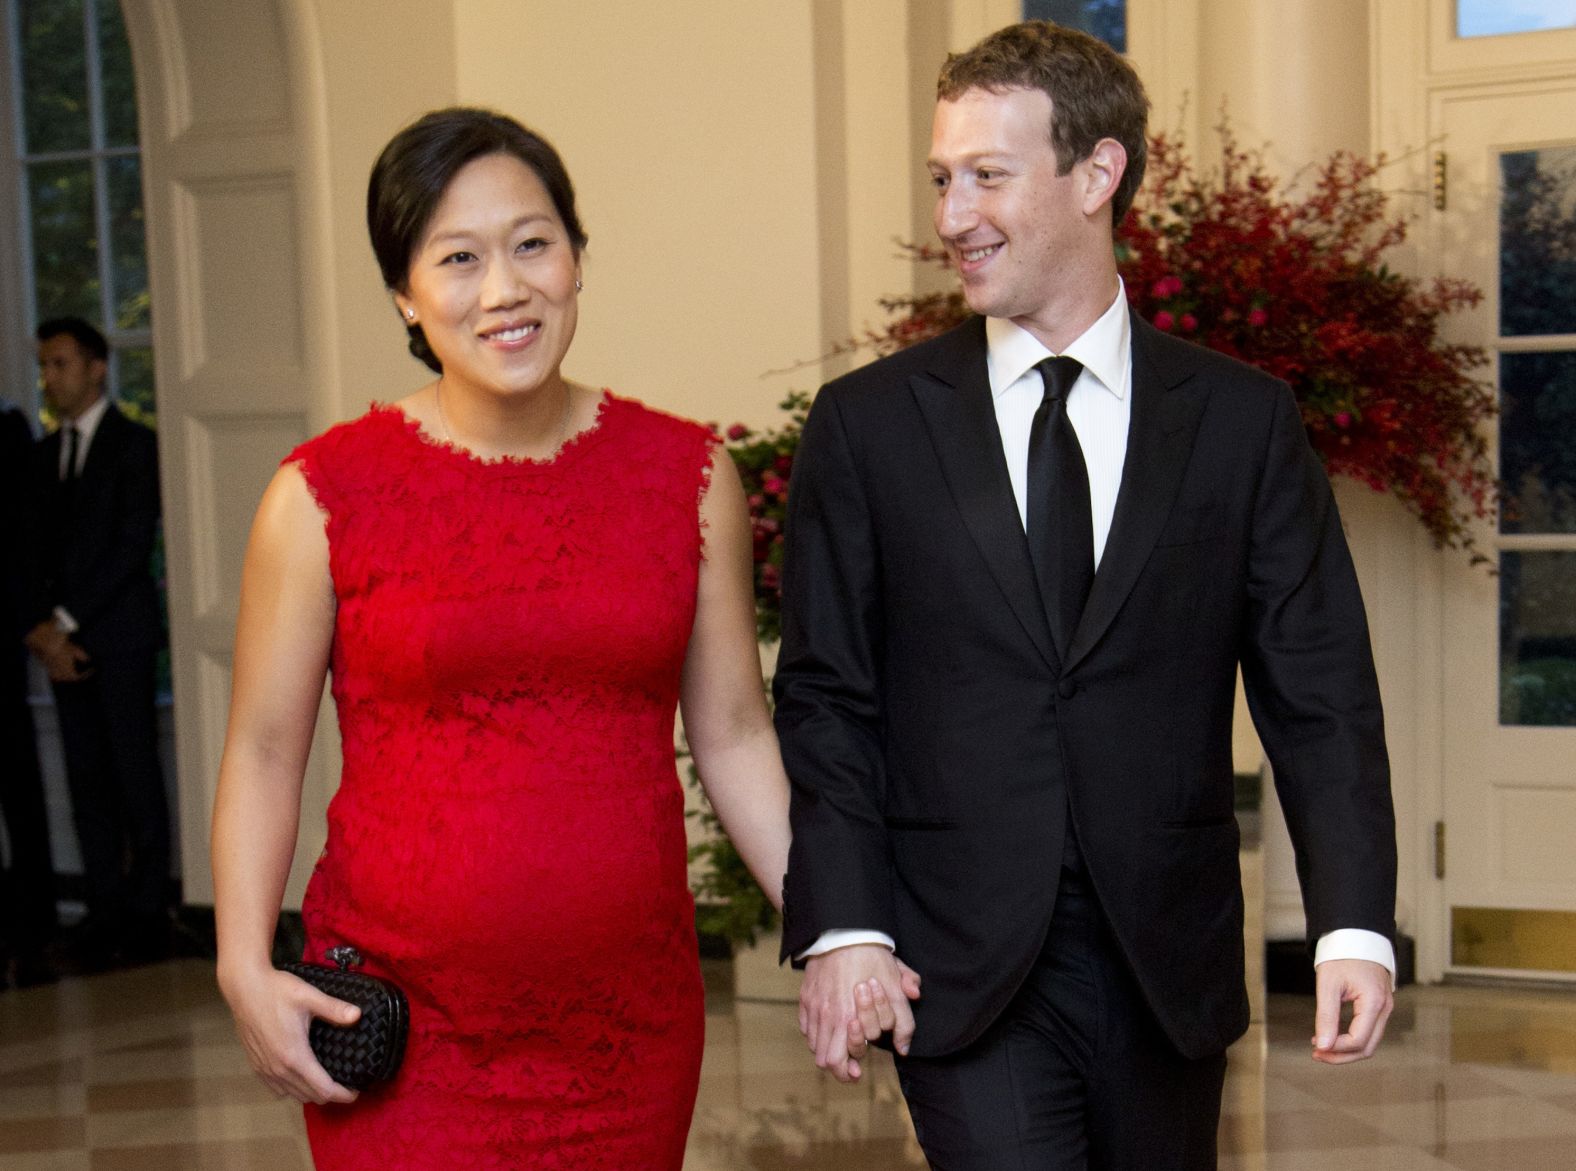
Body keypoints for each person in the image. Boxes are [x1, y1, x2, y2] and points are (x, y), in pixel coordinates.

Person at [775, 21, 1397, 1170]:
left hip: (1167, 954)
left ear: (1097, 173)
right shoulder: (867, 428)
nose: (953, 215)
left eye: (988, 177)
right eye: (942, 179)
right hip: (955, 957)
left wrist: (1351, 922)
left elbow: (1320, 693)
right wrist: (845, 923)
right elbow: (824, 695)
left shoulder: (1240, 422)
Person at [211, 107, 791, 1168]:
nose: (505, 289)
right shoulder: (319, 496)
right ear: (404, 293)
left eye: (533, 243)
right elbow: (261, 747)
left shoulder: (690, 475)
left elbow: (738, 736)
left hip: (628, 1028)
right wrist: (242, 964)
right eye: (458, 259)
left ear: (576, 257)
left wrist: (837, 927)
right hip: (407, 1029)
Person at [24, 317, 168, 970]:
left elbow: (131, 546)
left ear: (96, 366)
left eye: (60, 364)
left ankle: (147, 913)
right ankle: (103, 907)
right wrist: (45, 633)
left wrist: (67, 619)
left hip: (120, 637)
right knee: (86, 781)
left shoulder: (137, 445)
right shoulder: (41, 456)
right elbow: (26, 552)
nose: (49, 379)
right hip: (61, 647)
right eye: (45, 366)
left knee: (135, 773)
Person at [2, 402, 57, 986]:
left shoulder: (9, 431)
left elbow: (22, 542)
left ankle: (34, 925)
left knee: (17, 784)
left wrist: (32, 622)